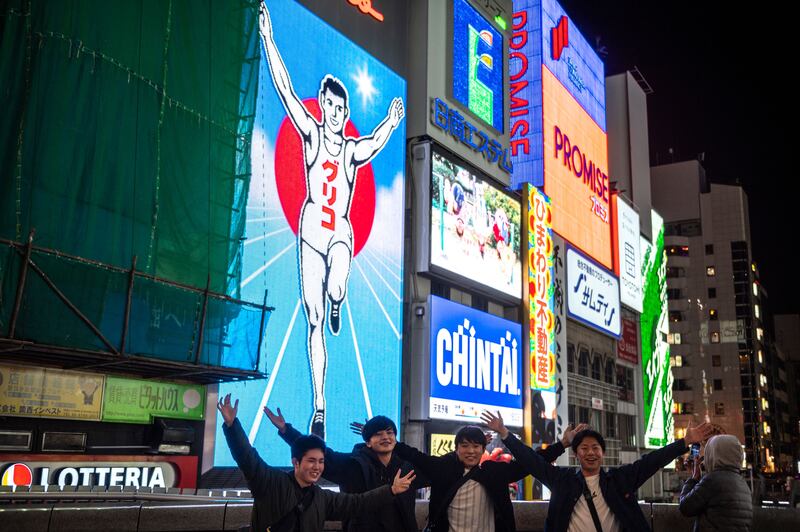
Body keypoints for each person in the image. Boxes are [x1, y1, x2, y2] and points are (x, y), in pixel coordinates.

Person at [258, 1, 405, 439]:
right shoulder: (310, 132)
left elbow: (375, 142)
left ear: (345, 111)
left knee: (337, 284)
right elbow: (284, 91)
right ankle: (319, 407)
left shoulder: (352, 148)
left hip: (339, 229)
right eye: (330, 106)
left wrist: (393, 123)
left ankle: (340, 296)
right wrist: (268, 38)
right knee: (314, 319)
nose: (336, 113)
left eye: (341, 108)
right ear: (323, 106)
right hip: (310, 231)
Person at [481, 410, 713, 532]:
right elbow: (531, 461)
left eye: (595, 448)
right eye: (584, 448)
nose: (590, 452)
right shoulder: (562, 480)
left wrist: (684, 443)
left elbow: (652, 461)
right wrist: (504, 434)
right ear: (576, 454)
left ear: (602, 453)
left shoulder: (620, 479)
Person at [217, 394, 415, 532]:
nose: (318, 467)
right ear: (295, 462)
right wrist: (232, 425)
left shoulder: (322, 498)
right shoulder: (270, 483)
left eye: (321, 462)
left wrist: (391, 490)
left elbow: (358, 503)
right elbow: (246, 457)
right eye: (311, 461)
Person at [393, 422, 587, 531]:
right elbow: (414, 455)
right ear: (456, 448)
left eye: (476, 446)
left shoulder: (494, 472)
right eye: (465, 446)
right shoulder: (442, 469)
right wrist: (389, 440)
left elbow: (532, 462)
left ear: (483, 449)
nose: (470, 451)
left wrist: (562, 444)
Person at [265, 406, 422, 532]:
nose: (385, 438)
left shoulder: (407, 467)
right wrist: (286, 430)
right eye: (378, 434)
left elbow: (436, 469)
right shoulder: (352, 465)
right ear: (368, 442)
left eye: (389, 433)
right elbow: (317, 451)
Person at [678, 434, 752, 531]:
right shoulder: (742, 483)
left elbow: (685, 507)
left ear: (713, 455)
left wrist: (694, 478)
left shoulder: (713, 480)